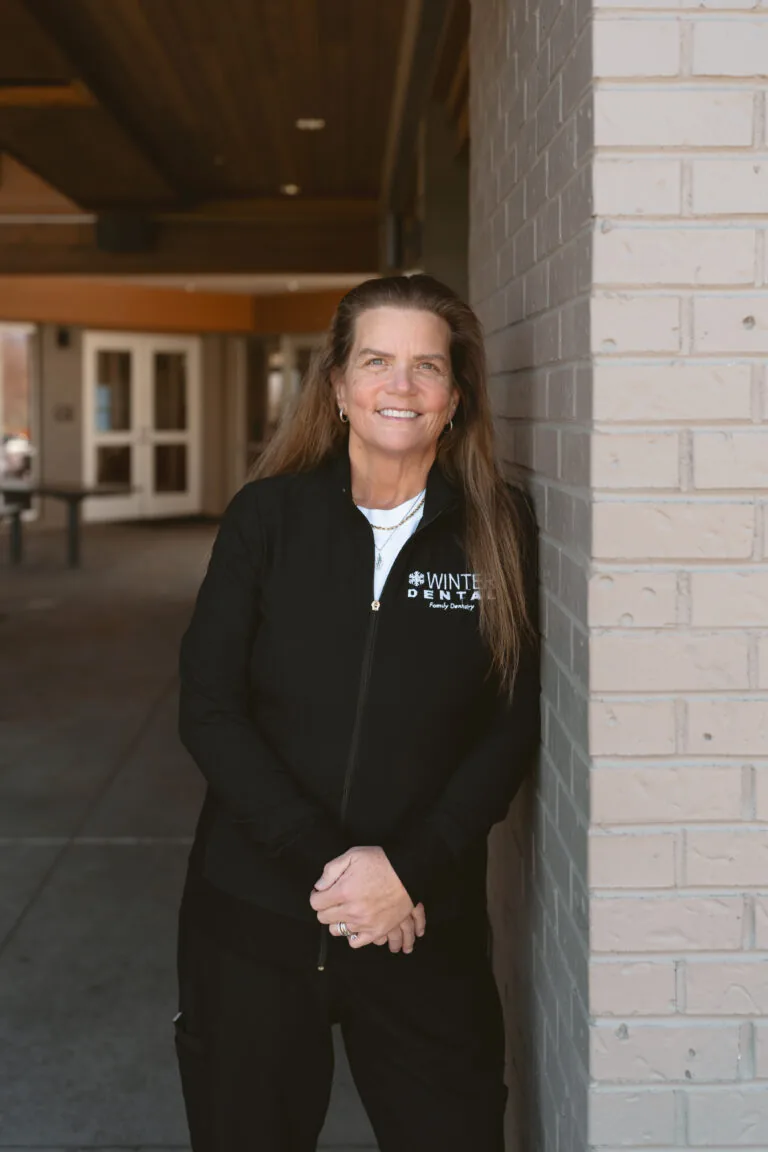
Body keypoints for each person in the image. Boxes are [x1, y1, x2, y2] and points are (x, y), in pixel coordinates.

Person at [175, 273, 539, 1152]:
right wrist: (341, 874)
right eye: (378, 361)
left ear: (456, 397)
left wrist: (406, 871)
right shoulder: (268, 518)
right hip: (253, 927)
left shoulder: (499, 527)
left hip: (423, 931)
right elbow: (210, 708)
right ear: (337, 386)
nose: (401, 387)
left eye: (427, 366)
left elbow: (511, 725)